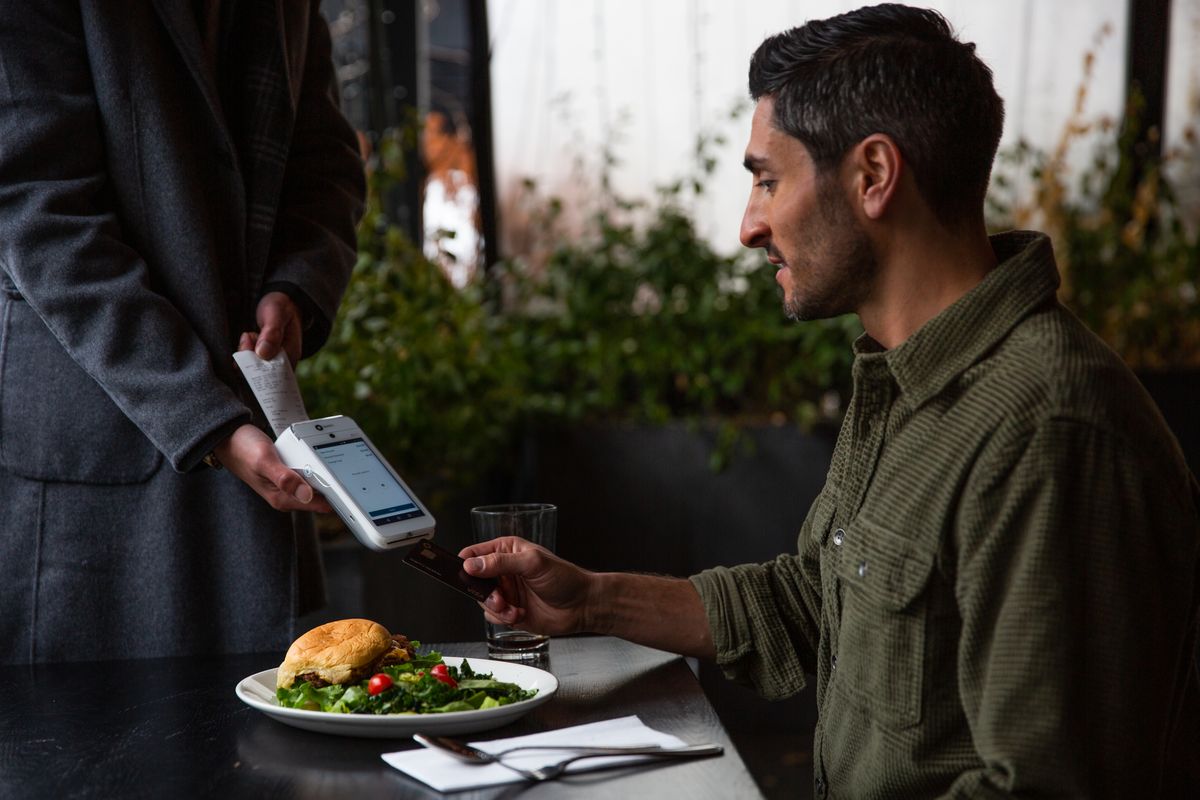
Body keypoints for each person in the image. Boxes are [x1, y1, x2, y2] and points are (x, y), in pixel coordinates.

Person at [460, 5, 1200, 796]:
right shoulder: (906, 380)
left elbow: (1046, 788)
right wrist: (592, 603)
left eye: (769, 181)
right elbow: (815, 601)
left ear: (874, 176)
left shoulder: (1049, 430)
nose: (749, 226)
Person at [0, 2, 365, 663]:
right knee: (96, 745)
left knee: (257, 741)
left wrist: (297, 285)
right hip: (100, 445)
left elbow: (325, 159)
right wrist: (206, 418)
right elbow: (42, 213)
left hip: (252, 422)